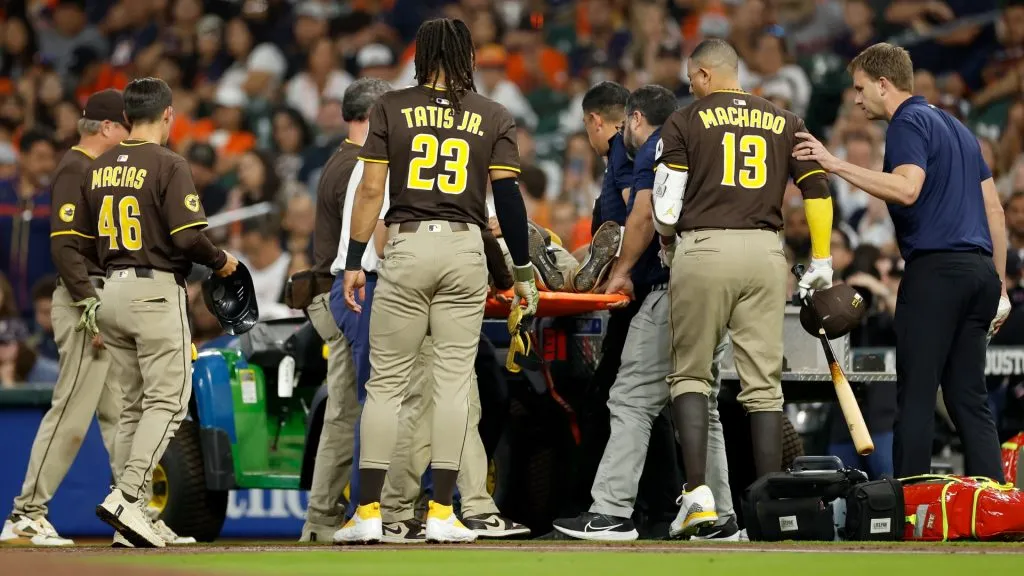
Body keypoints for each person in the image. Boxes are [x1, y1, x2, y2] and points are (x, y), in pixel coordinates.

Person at [336, 18, 539, 545]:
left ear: (421, 55)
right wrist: (520, 269)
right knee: (453, 385)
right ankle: (446, 511)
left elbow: (370, 191)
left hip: (407, 242)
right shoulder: (493, 113)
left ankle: (371, 512)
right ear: (468, 55)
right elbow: (510, 200)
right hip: (466, 246)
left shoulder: (390, 107)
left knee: (387, 386)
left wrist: (356, 259)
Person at [793, 42, 1009, 480]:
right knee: (968, 397)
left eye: (860, 88)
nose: (856, 99)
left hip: (937, 273)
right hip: (981, 274)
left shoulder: (908, 121)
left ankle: (910, 508)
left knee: (915, 394)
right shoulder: (959, 129)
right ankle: (995, 501)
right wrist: (1000, 286)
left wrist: (833, 163)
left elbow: (907, 188)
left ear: (884, 84)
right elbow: (995, 212)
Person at [653, 39, 833, 536]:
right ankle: (773, 505)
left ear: (709, 74)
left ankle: (698, 499)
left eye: (694, 79)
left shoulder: (685, 120)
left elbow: (666, 208)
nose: (691, 87)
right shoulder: (785, 119)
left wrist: (669, 245)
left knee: (690, 376)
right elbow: (816, 187)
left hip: (705, 247)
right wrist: (821, 257)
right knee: (763, 386)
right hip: (764, 253)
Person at [552, 85, 738, 541]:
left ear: (633, 119)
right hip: (716, 284)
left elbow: (639, 215)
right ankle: (721, 517)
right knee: (702, 403)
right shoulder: (700, 142)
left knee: (632, 398)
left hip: (668, 287)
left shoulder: (653, 146)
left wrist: (622, 271)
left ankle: (612, 513)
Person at [69, 77, 238, 548]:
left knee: (132, 407)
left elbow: (79, 243)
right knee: (169, 401)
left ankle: (133, 516)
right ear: (168, 114)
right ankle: (127, 497)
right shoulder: (167, 162)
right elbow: (187, 236)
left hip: (111, 292)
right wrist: (222, 260)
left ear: (126, 119)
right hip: (153, 291)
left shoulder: (98, 166)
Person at [1, 90, 127, 547]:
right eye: (127, 128)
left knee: (118, 413)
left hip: (99, 296)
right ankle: (26, 513)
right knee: (72, 411)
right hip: (83, 300)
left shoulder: (94, 169)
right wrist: (88, 301)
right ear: (109, 128)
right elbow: (63, 246)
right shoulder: (76, 167)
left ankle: (130, 511)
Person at [297, 79, 388, 543]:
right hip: (348, 290)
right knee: (351, 408)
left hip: (328, 291)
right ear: (371, 118)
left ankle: (321, 517)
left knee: (347, 406)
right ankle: (326, 516)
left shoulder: (338, 159)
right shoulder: (360, 166)